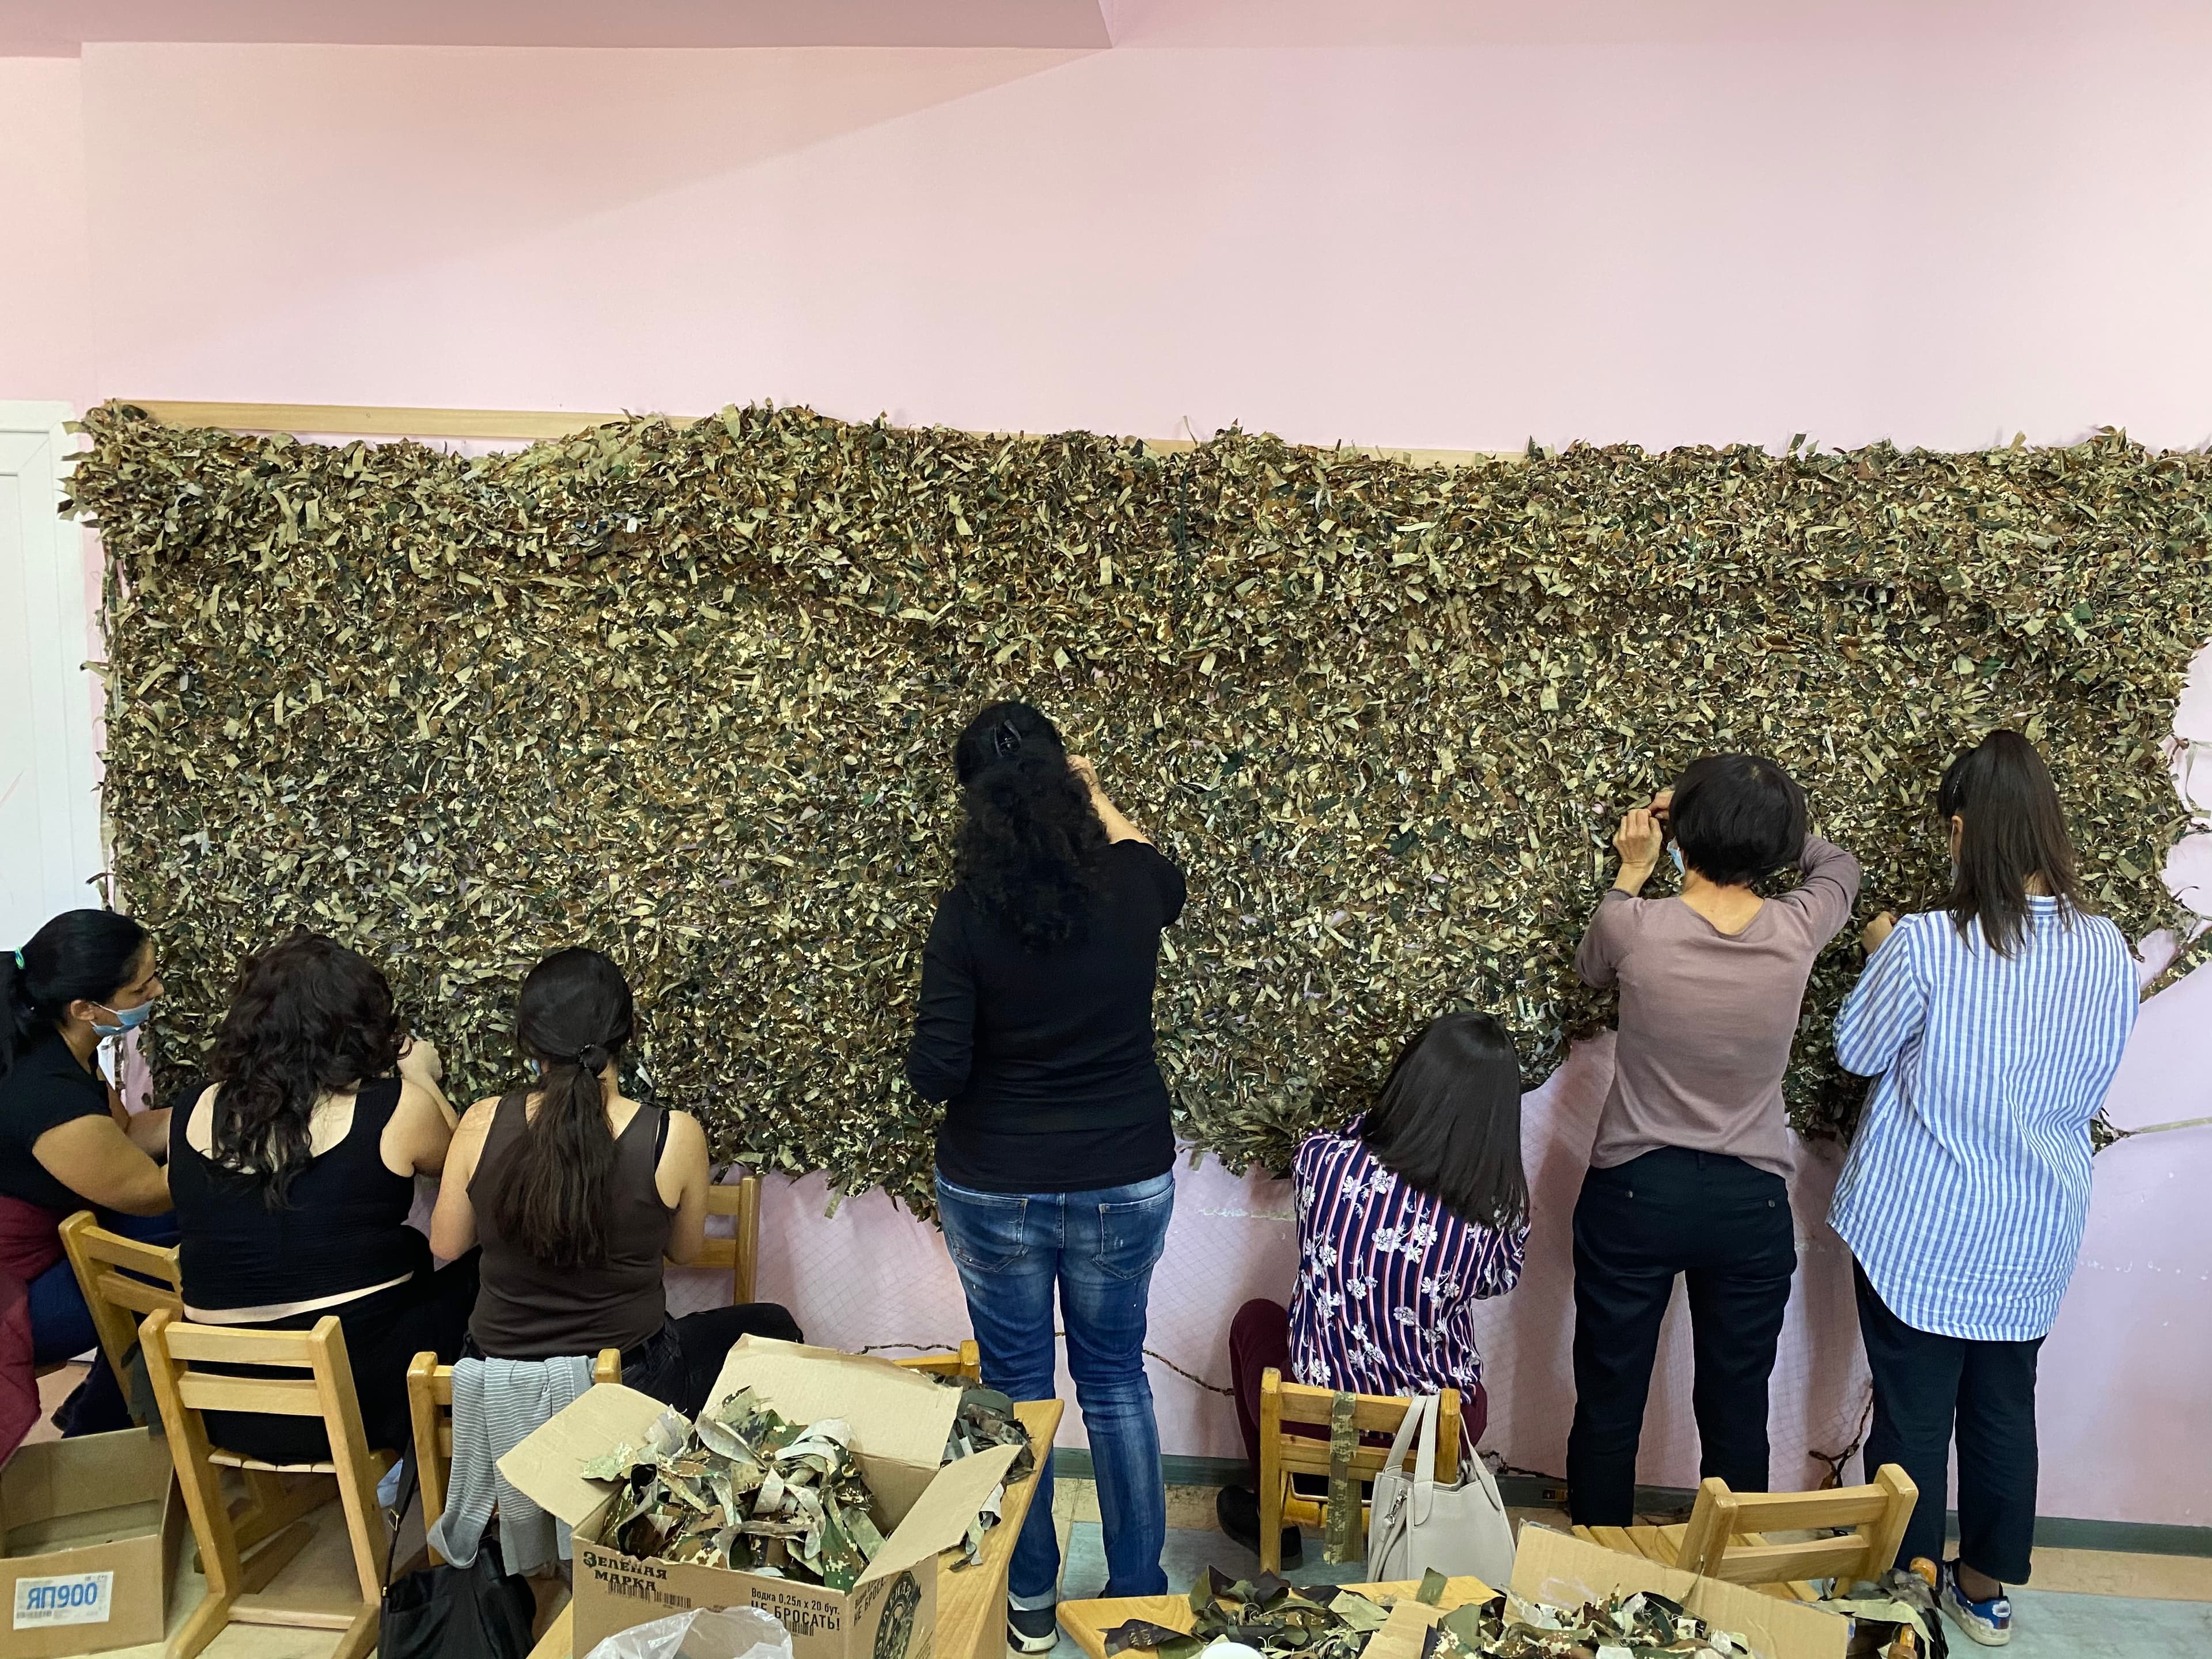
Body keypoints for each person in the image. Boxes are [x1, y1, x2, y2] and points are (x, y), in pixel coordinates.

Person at [1828, 732, 2134, 1649]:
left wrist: (1880, 946)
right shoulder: (2108, 948)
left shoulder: (1926, 942)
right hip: (2035, 1228)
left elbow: (1857, 1052)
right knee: (2005, 1409)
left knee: (1912, 1418)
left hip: (1921, 1227)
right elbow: (2099, 1075)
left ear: (1962, 832)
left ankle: (1905, 1602)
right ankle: (1985, 1590)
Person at [906, 700, 1184, 1652]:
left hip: (996, 1184)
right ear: (1068, 784)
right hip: (1124, 1174)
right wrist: (1095, 789)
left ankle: (1026, 1607)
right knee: (1116, 1383)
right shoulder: (1134, 883)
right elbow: (1157, 866)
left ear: (974, 811)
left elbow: (936, 1072)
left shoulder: (965, 916)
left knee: (1017, 1390)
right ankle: (1139, 1600)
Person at [1566, 755, 1860, 1525]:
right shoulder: (1799, 926)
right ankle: (1731, 1594)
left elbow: (1589, 971)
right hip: (1748, 1202)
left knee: (1609, 1393)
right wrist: (1763, 828)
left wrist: (1634, 870)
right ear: (1776, 847)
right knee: (1736, 1406)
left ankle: (1592, 1575)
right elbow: (1839, 863)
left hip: (1635, 1189)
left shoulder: (1632, 926)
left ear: (1679, 838)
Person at [1217, 1010, 1530, 1566]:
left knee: (1254, 1321)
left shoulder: (1322, 1161)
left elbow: (1322, 1214)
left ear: (1405, 1081)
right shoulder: (1499, 1209)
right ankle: (1394, 1502)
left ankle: (1277, 1515)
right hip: (1432, 1430)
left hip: (1320, 1417)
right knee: (1464, 1388)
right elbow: (1496, 1282)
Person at [431, 947, 801, 1416]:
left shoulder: (481, 1122)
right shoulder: (675, 1135)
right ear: (625, 1034)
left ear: (530, 1041)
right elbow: (685, 1252)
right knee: (776, 1325)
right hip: (629, 1388)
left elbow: (446, 1244)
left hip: (499, 1387)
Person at [170, 929, 474, 1462]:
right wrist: (421, 1076)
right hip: (360, 1396)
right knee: (486, 1266)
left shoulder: (194, 1107)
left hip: (224, 1404)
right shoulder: (392, 1107)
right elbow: (456, 1162)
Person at [0, 909, 175, 1430]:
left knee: (167, 1235)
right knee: (173, 1259)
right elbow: (146, 1190)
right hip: (16, 1286)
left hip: (50, 1241)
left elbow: (125, 1137)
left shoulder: (62, 1034)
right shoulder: (45, 1091)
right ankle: (102, 1421)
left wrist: (217, 1107)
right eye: (141, 988)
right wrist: (240, 1151)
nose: (158, 992)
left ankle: (98, 1410)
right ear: (85, 1007)